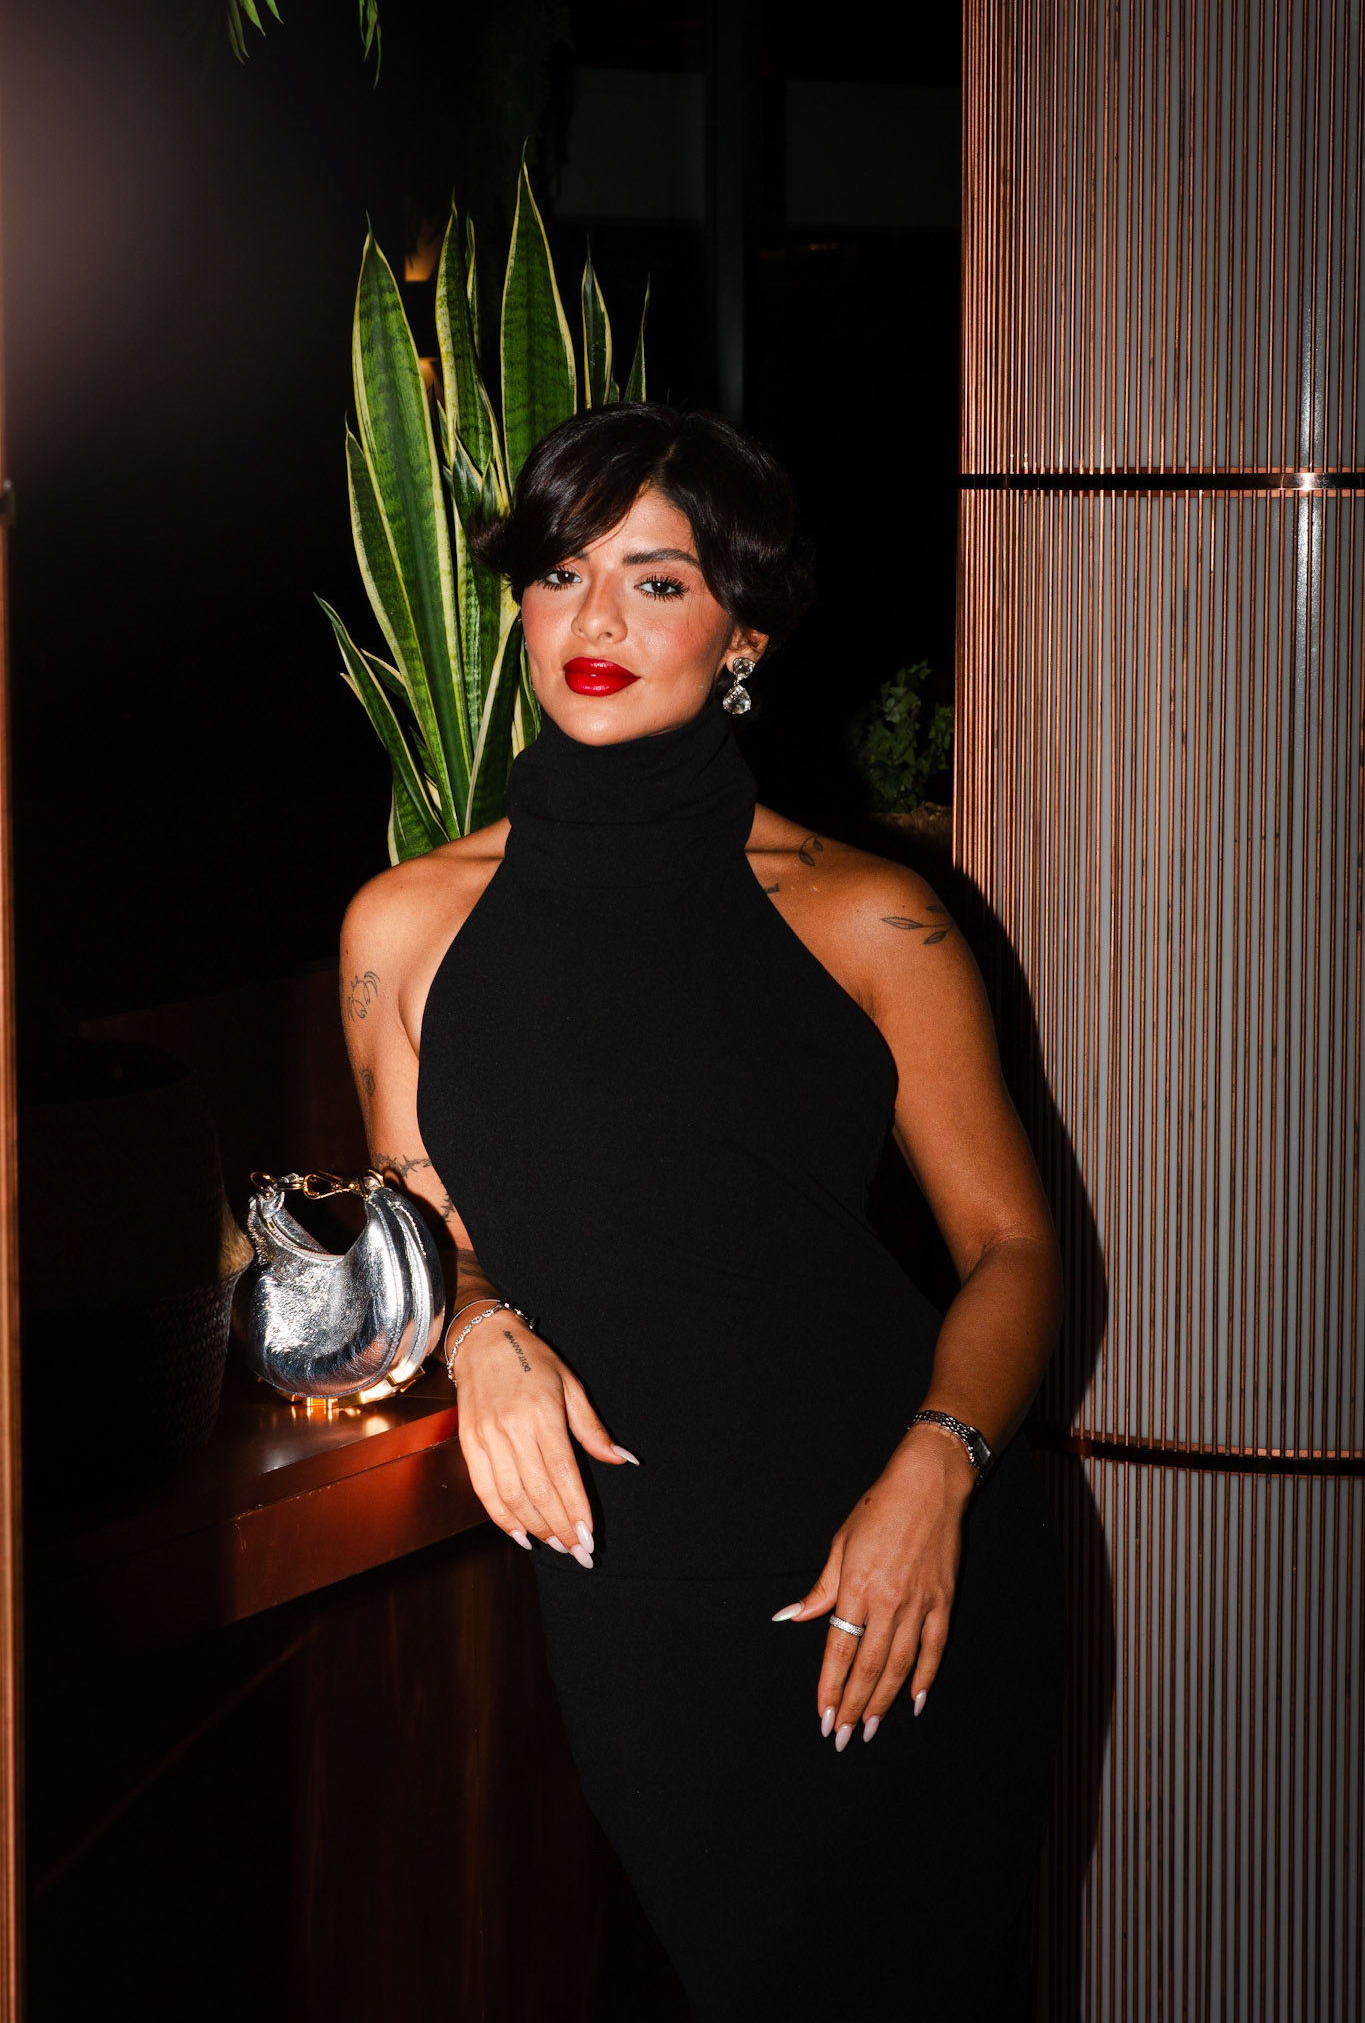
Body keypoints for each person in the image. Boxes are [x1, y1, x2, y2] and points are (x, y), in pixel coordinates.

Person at [340, 402, 1068, 2019]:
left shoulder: (870, 914)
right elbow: (418, 1214)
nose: (593, 620)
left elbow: (1015, 1250)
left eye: (655, 582)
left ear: (744, 630)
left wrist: (934, 1476)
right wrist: (480, 1333)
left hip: (905, 1550)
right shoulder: (406, 922)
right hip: (637, 1590)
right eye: (561, 572)